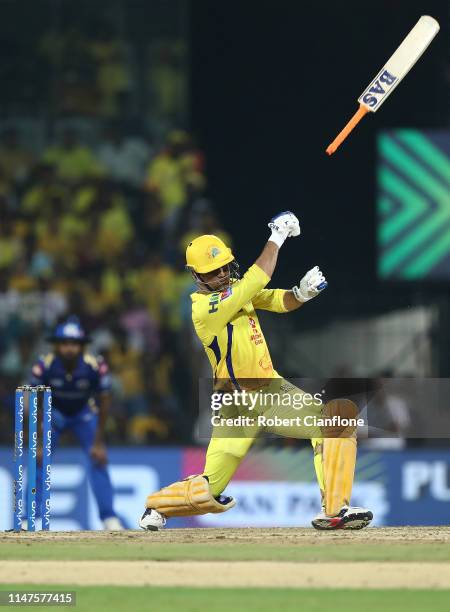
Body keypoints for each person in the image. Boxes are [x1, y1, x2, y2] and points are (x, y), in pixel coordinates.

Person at [140, 212, 373, 531]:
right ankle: (156, 506)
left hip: (271, 391)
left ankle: (336, 510)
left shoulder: (235, 290)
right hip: (236, 403)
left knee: (336, 420)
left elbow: (275, 300)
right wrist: (277, 236)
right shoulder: (203, 308)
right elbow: (257, 280)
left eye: (223, 266)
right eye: (212, 271)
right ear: (197, 276)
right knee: (211, 489)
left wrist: (301, 293)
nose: (222, 274)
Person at [30, 316, 123, 530]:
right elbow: (34, 398)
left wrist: (99, 441)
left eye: (74, 344)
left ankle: (109, 517)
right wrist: (38, 439)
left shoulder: (94, 365)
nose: (69, 348)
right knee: (38, 461)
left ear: (81, 346)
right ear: (56, 345)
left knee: (98, 459)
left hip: (84, 414)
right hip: (54, 414)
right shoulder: (45, 364)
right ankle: (31, 517)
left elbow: (105, 399)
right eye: (64, 343)